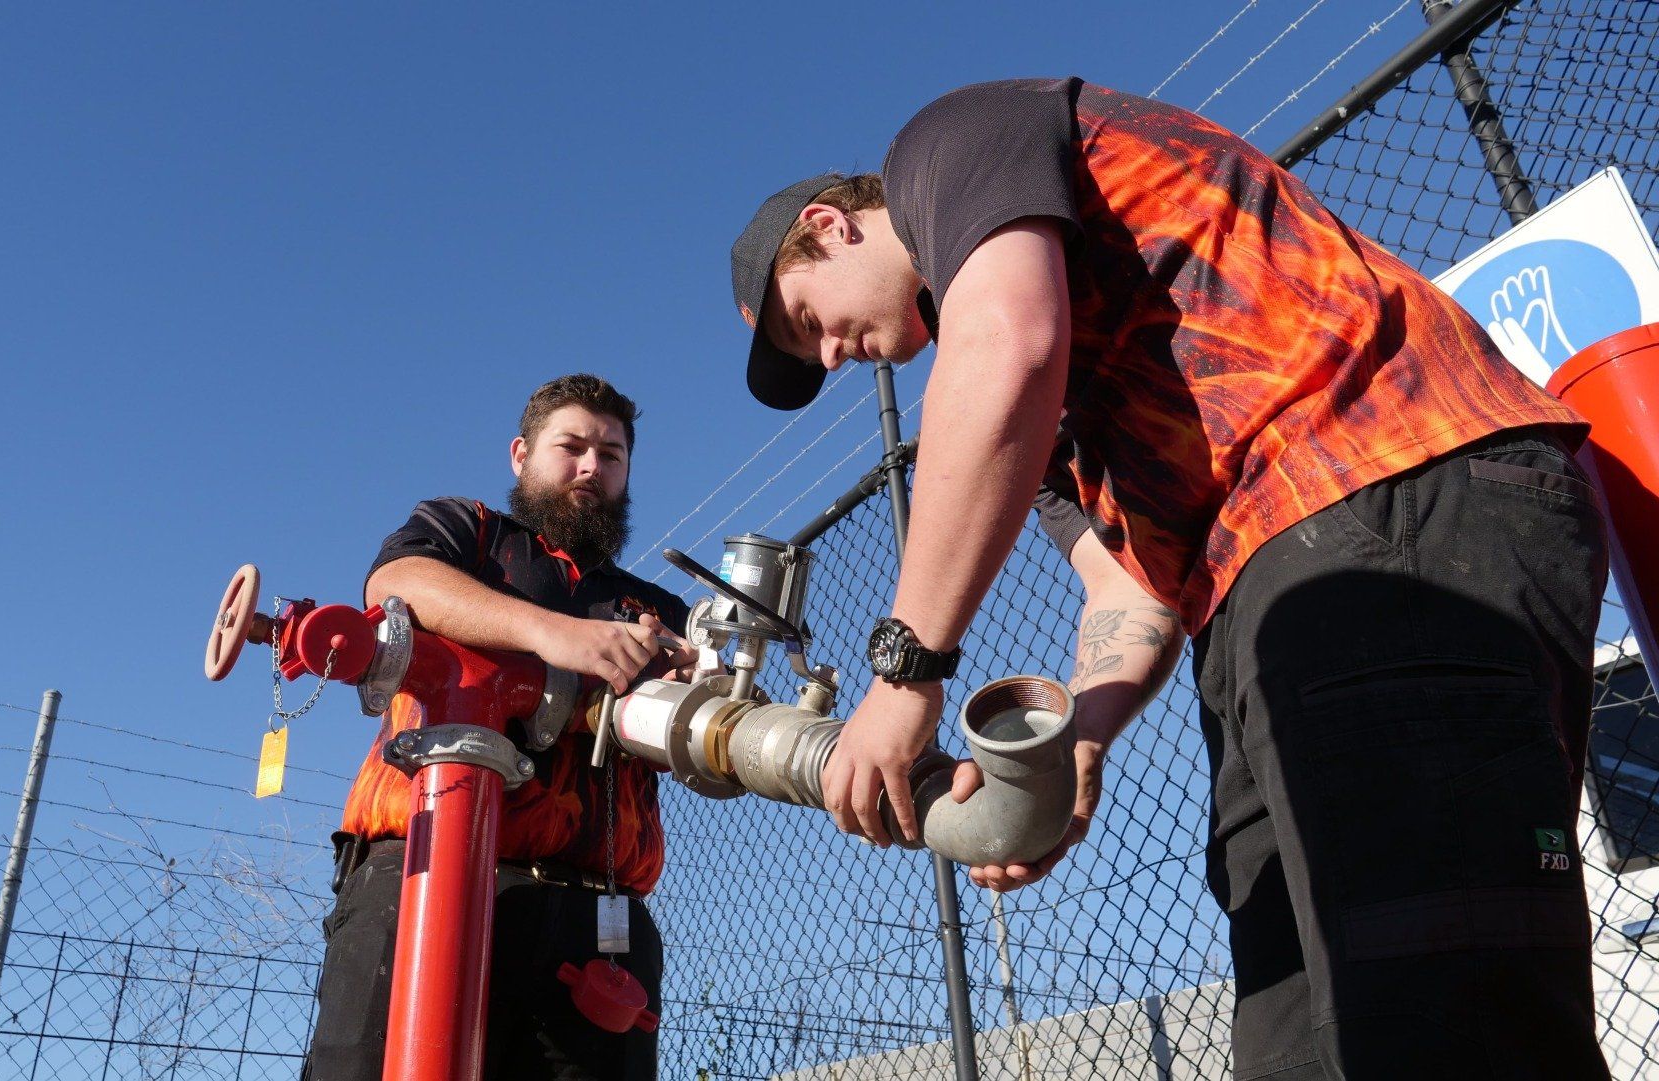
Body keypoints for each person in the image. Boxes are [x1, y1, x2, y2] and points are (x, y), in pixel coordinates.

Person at [727, 79, 1609, 1078]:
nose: (837, 356)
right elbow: (1129, 591)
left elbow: (1008, 340)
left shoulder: (946, 145)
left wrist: (907, 669)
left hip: (1382, 482)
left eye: (812, 321)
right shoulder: (1066, 436)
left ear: (830, 226)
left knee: (1442, 1006)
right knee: (1297, 1035)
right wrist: (1081, 742)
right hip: (1267, 583)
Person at [303, 373, 694, 1081]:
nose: (590, 466)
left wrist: (700, 680)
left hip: (598, 920)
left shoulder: (659, 608)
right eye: (570, 446)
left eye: (610, 454)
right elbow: (397, 582)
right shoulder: (468, 532)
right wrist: (557, 635)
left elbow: (697, 730)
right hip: (421, 872)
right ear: (521, 454)